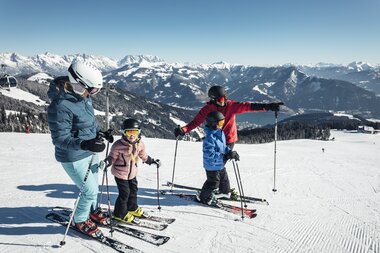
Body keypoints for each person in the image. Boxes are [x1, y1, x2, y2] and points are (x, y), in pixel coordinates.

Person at [47, 60, 114, 237]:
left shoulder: (83, 97)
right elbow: (60, 139)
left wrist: (101, 133)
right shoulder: (60, 105)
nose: (94, 93)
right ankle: (81, 219)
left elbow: (88, 124)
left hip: (90, 151)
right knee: (89, 190)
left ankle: (92, 210)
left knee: (94, 187)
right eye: (93, 89)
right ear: (79, 83)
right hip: (73, 156)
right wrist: (84, 144)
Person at [174, 85, 283, 150]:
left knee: (220, 164)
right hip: (214, 140)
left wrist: (268, 106)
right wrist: (184, 130)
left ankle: (219, 186)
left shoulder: (231, 106)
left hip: (229, 140)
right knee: (213, 163)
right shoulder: (208, 109)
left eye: (225, 98)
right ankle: (216, 185)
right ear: (214, 100)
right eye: (221, 99)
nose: (224, 101)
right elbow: (196, 122)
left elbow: (249, 106)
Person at [103, 118, 161, 223]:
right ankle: (120, 213)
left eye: (134, 132)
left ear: (139, 132)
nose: (132, 135)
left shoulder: (140, 144)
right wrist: (107, 162)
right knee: (125, 193)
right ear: (123, 132)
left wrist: (151, 161)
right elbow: (112, 157)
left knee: (133, 190)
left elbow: (143, 155)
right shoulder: (118, 145)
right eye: (128, 132)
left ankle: (132, 207)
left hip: (132, 173)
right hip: (120, 174)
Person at [197, 111, 240, 205]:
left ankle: (225, 193)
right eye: (220, 123)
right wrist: (224, 156)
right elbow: (209, 155)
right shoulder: (209, 138)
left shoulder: (219, 133)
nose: (222, 125)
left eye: (223, 122)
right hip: (212, 165)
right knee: (213, 182)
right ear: (213, 123)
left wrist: (229, 152)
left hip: (219, 164)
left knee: (224, 179)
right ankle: (204, 197)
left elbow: (222, 146)